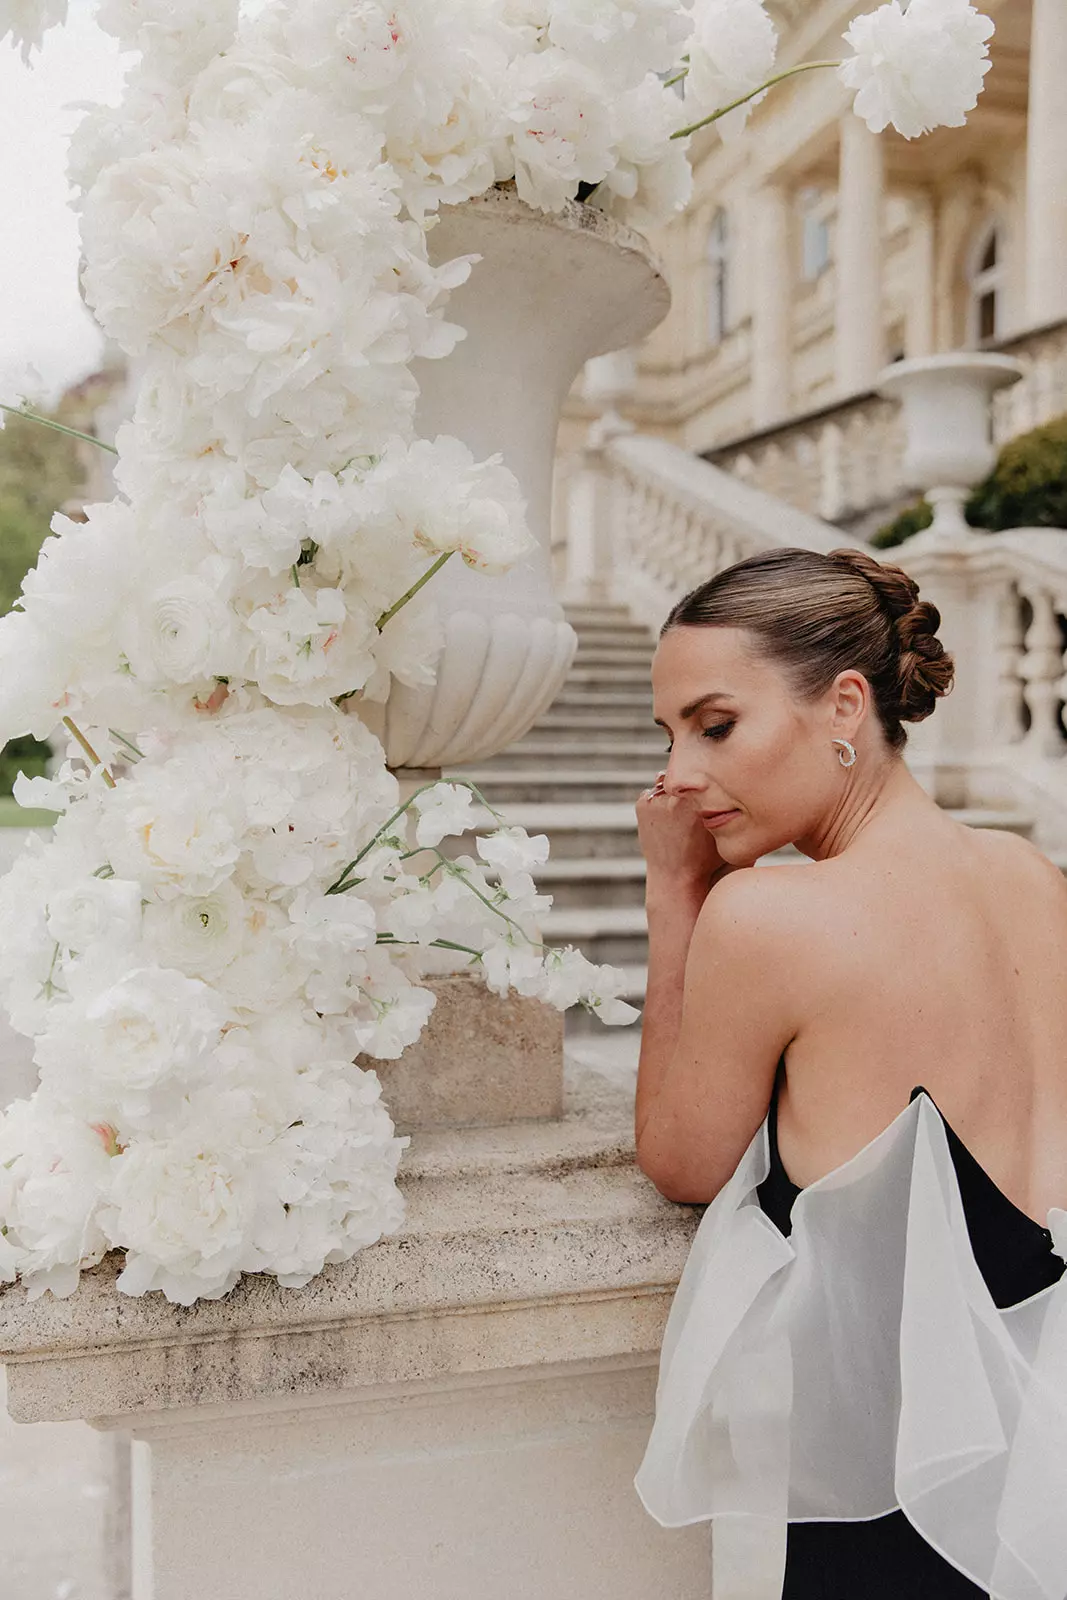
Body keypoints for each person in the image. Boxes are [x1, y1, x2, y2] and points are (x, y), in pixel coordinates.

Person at [631, 546, 1067, 1600]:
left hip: (887, 1500)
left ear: (842, 704)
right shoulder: (1030, 876)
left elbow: (682, 1161)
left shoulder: (768, 916)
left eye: (715, 723)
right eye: (669, 735)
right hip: (1032, 1477)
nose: (678, 775)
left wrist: (673, 891)